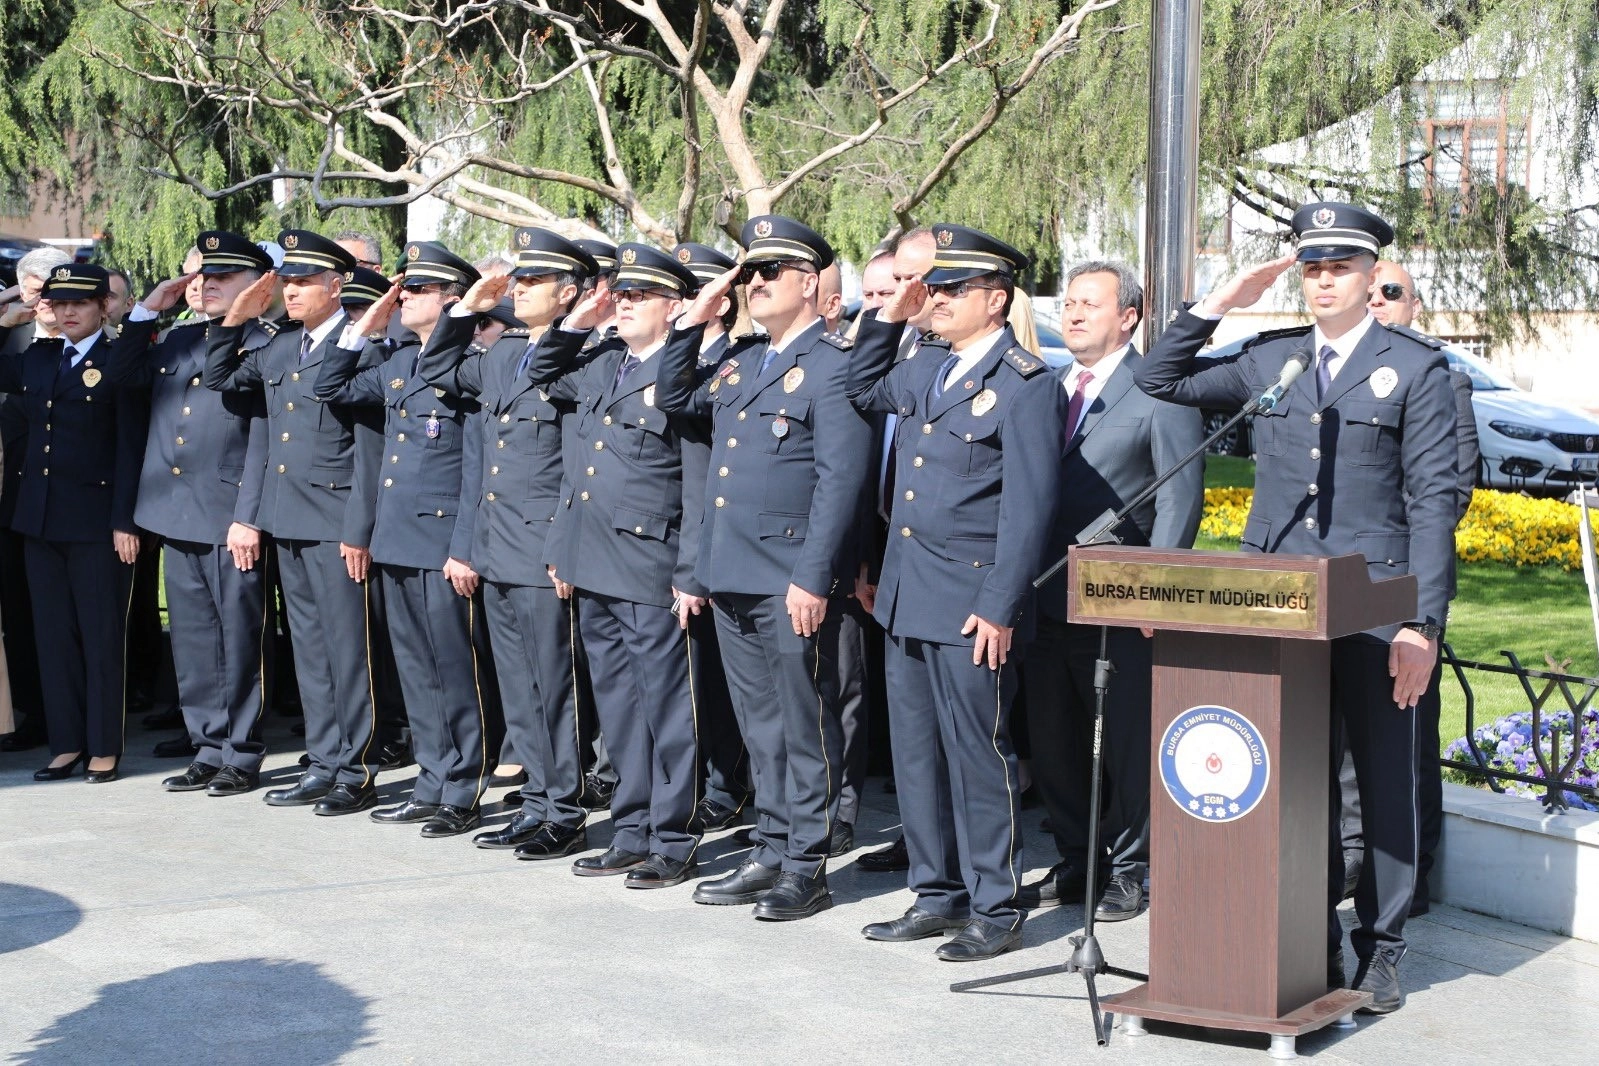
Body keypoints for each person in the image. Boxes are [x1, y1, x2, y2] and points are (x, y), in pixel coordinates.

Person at [1135, 202, 1458, 1013]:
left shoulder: (1414, 369)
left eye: (1339, 267)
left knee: (1381, 782)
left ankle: (1380, 948)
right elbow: (1157, 379)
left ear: (1370, 275)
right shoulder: (1269, 359)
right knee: (1293, 782)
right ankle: (1304, 937)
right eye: (1310, 267)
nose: (1322, 281)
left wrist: (1422, 625)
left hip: (1374, 605)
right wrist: (1218, 303)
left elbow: (1433, 503)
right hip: (1276, 604)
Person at [847, 224, 1066, 961]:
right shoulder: (924, 368)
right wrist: (890, 314)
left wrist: (1001, 603)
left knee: (979, 755)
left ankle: (994, 905)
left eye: (949, 290)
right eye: (931, 287)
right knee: (914, 754)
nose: (933, 300)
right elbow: (856, 387)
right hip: (909, 595)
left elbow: (1028, 508)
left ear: (995, 299)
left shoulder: (1026, 383)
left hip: (972, 603)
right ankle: (934, 892)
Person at [657, 215, 872, 921]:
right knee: (760, 725)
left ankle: (805, 863)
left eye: (765, 272)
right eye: (746, 273)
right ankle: (773, 846)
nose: (751, 283)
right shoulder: (743, 361)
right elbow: (673, 398)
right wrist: (694, 318)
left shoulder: (836, 365)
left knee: (805, 725)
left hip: (791, 581)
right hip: (733, 575)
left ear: (808, 283)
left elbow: (840, 483)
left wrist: (813, 578)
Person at [1020, 260, 1204, 920]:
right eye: (1067, 303)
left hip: (1119, 602)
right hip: (1046, 594)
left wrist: (1158, 594)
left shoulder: (1156, 392)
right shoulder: (1046, 386)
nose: (1071, 314)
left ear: (1126, 316)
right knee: (1054, 739)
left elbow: (1181, 501)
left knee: (1122, 739)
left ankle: (1131, 866)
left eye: (1088, 304)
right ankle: (1078, 857)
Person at [416, 227, 600, 860]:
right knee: (517, 684)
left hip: (543, 546)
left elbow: (578, 465)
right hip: (497, 544)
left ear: (570, 292)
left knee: (553, 684)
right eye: (516, 281)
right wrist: (466, 307)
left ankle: (564, 808)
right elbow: (436, 367)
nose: (518, 290)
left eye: (533, 281)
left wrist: (564, 547)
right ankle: (535, 803)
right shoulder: (502, 354)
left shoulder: (585, 355)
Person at [528, 243, 708, 887]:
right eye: (621, 294)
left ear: (675, 306)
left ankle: (673, 835)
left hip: (651, 562)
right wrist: (580, 317)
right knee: (619, 705)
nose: (624, 303)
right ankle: (630, 828)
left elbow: (695, 483)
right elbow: (540, 371)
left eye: (640, 296)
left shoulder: (687, 375)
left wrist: (690, 573)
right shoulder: (603, 361)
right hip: (592, 559)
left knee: (665, 706)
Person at [315, 240, 502, 837]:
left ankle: (463, 786)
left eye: (417, 290)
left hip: (443, 539)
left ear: (454, 301)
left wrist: (464, 546)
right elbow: (332, 387)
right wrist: (361, 328)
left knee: (453, 666)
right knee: (416, 668)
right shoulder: (397, 361)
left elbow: (476, 465)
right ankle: (431, 779)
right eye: (404, 288)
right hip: (396, 537)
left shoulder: (470, 365)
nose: (404, 297)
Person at [204, 230, 383, 816]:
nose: (293, 290)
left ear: (338, 286)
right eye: (289, 280)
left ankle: (355, 769)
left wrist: (358, 528)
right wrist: (233, 320)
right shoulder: (283, 347)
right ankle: (324, 760)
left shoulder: (363, 347)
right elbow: (224, 381)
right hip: (289, 517)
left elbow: (368, 449)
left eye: (305, 281)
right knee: (309, 648)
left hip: (336, 521)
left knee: (346, 650)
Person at [0, 263, 191, 783]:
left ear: (104, 306)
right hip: (40, 521)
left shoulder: (118, 360)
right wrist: (4, 319)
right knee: (53, 637)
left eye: (79, 303)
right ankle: (66, 743)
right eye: (58, 303)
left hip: (98, 525)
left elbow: (131, 449)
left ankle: (104, 745)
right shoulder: (38, 358)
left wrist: (126, 521)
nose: (67, 312)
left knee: (101, 636)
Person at [129, 232, 276, 797]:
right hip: (174, 510)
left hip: (228, 513)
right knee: (191, 638)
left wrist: (249, 515)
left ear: (258, 286)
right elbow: (122, 379)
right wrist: (149, 309)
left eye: (224, 277)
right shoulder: (178, 338)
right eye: (202, 276)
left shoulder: (265, 343)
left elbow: (265, 437)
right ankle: (207, 744)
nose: (207, 285)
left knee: (239, 637)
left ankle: (241, 751)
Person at [1361, 258, 1480, 917]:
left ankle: (1415, 876)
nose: (1377, 301)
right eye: (1370, 290)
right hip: (1336, 585)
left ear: (1413, 307)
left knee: (1405, 740)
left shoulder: (1443, 380)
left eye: (1391, 293)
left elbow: (1449, 491)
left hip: (1403, 585)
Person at [855, 231, 936, 876]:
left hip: (945, 557)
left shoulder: (949, 356)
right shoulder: (897, 348)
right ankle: (921, 843)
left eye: (911, 279)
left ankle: (958, 863)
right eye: (885, 285)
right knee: (907, 720)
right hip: (888, 537)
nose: (900, 294)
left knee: (953, 727)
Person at [670, 242, 753, 837]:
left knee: (719, 683)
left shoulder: (738, 359)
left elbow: (704, 480)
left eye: (692, 293)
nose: (682, 304)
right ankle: (702, 778)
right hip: (666, 540)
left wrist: (693, 566)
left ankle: (729, 785)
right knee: (689, 679)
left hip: (707, 545)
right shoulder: (673, 359)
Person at [0, 246, 70, 753]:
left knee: (66, 614)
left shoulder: (90, 335)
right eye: (29, 289)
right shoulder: (11, 333)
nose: (38, 301)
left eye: (46, 289)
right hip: (13, 493)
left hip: (70, 496)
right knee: (20, 612)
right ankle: (33, 711)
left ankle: (71, 713)